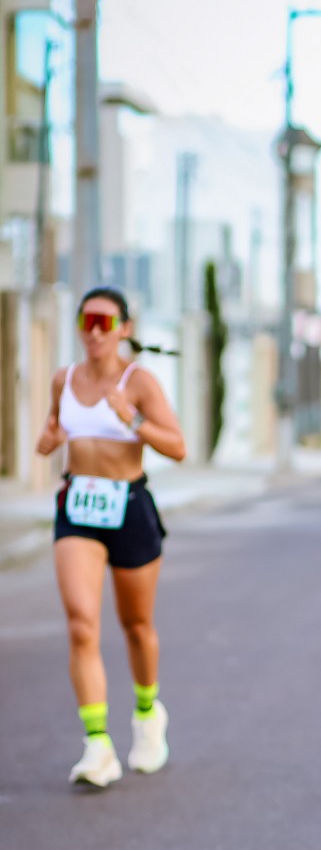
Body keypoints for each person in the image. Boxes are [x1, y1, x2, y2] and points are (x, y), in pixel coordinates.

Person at [35, 287, 186, 787]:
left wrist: (133, 418)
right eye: (87, 321)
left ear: (124, 328)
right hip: (78, 506)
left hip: (129, 507)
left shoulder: (138, 381)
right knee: (82, 624)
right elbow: (48, 437)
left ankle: (147, 713)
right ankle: (97, 745)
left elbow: (178, 446)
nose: (95, 332)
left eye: (105, 322)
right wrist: (49, 440)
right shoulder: (64, 379)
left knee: (136, 625)